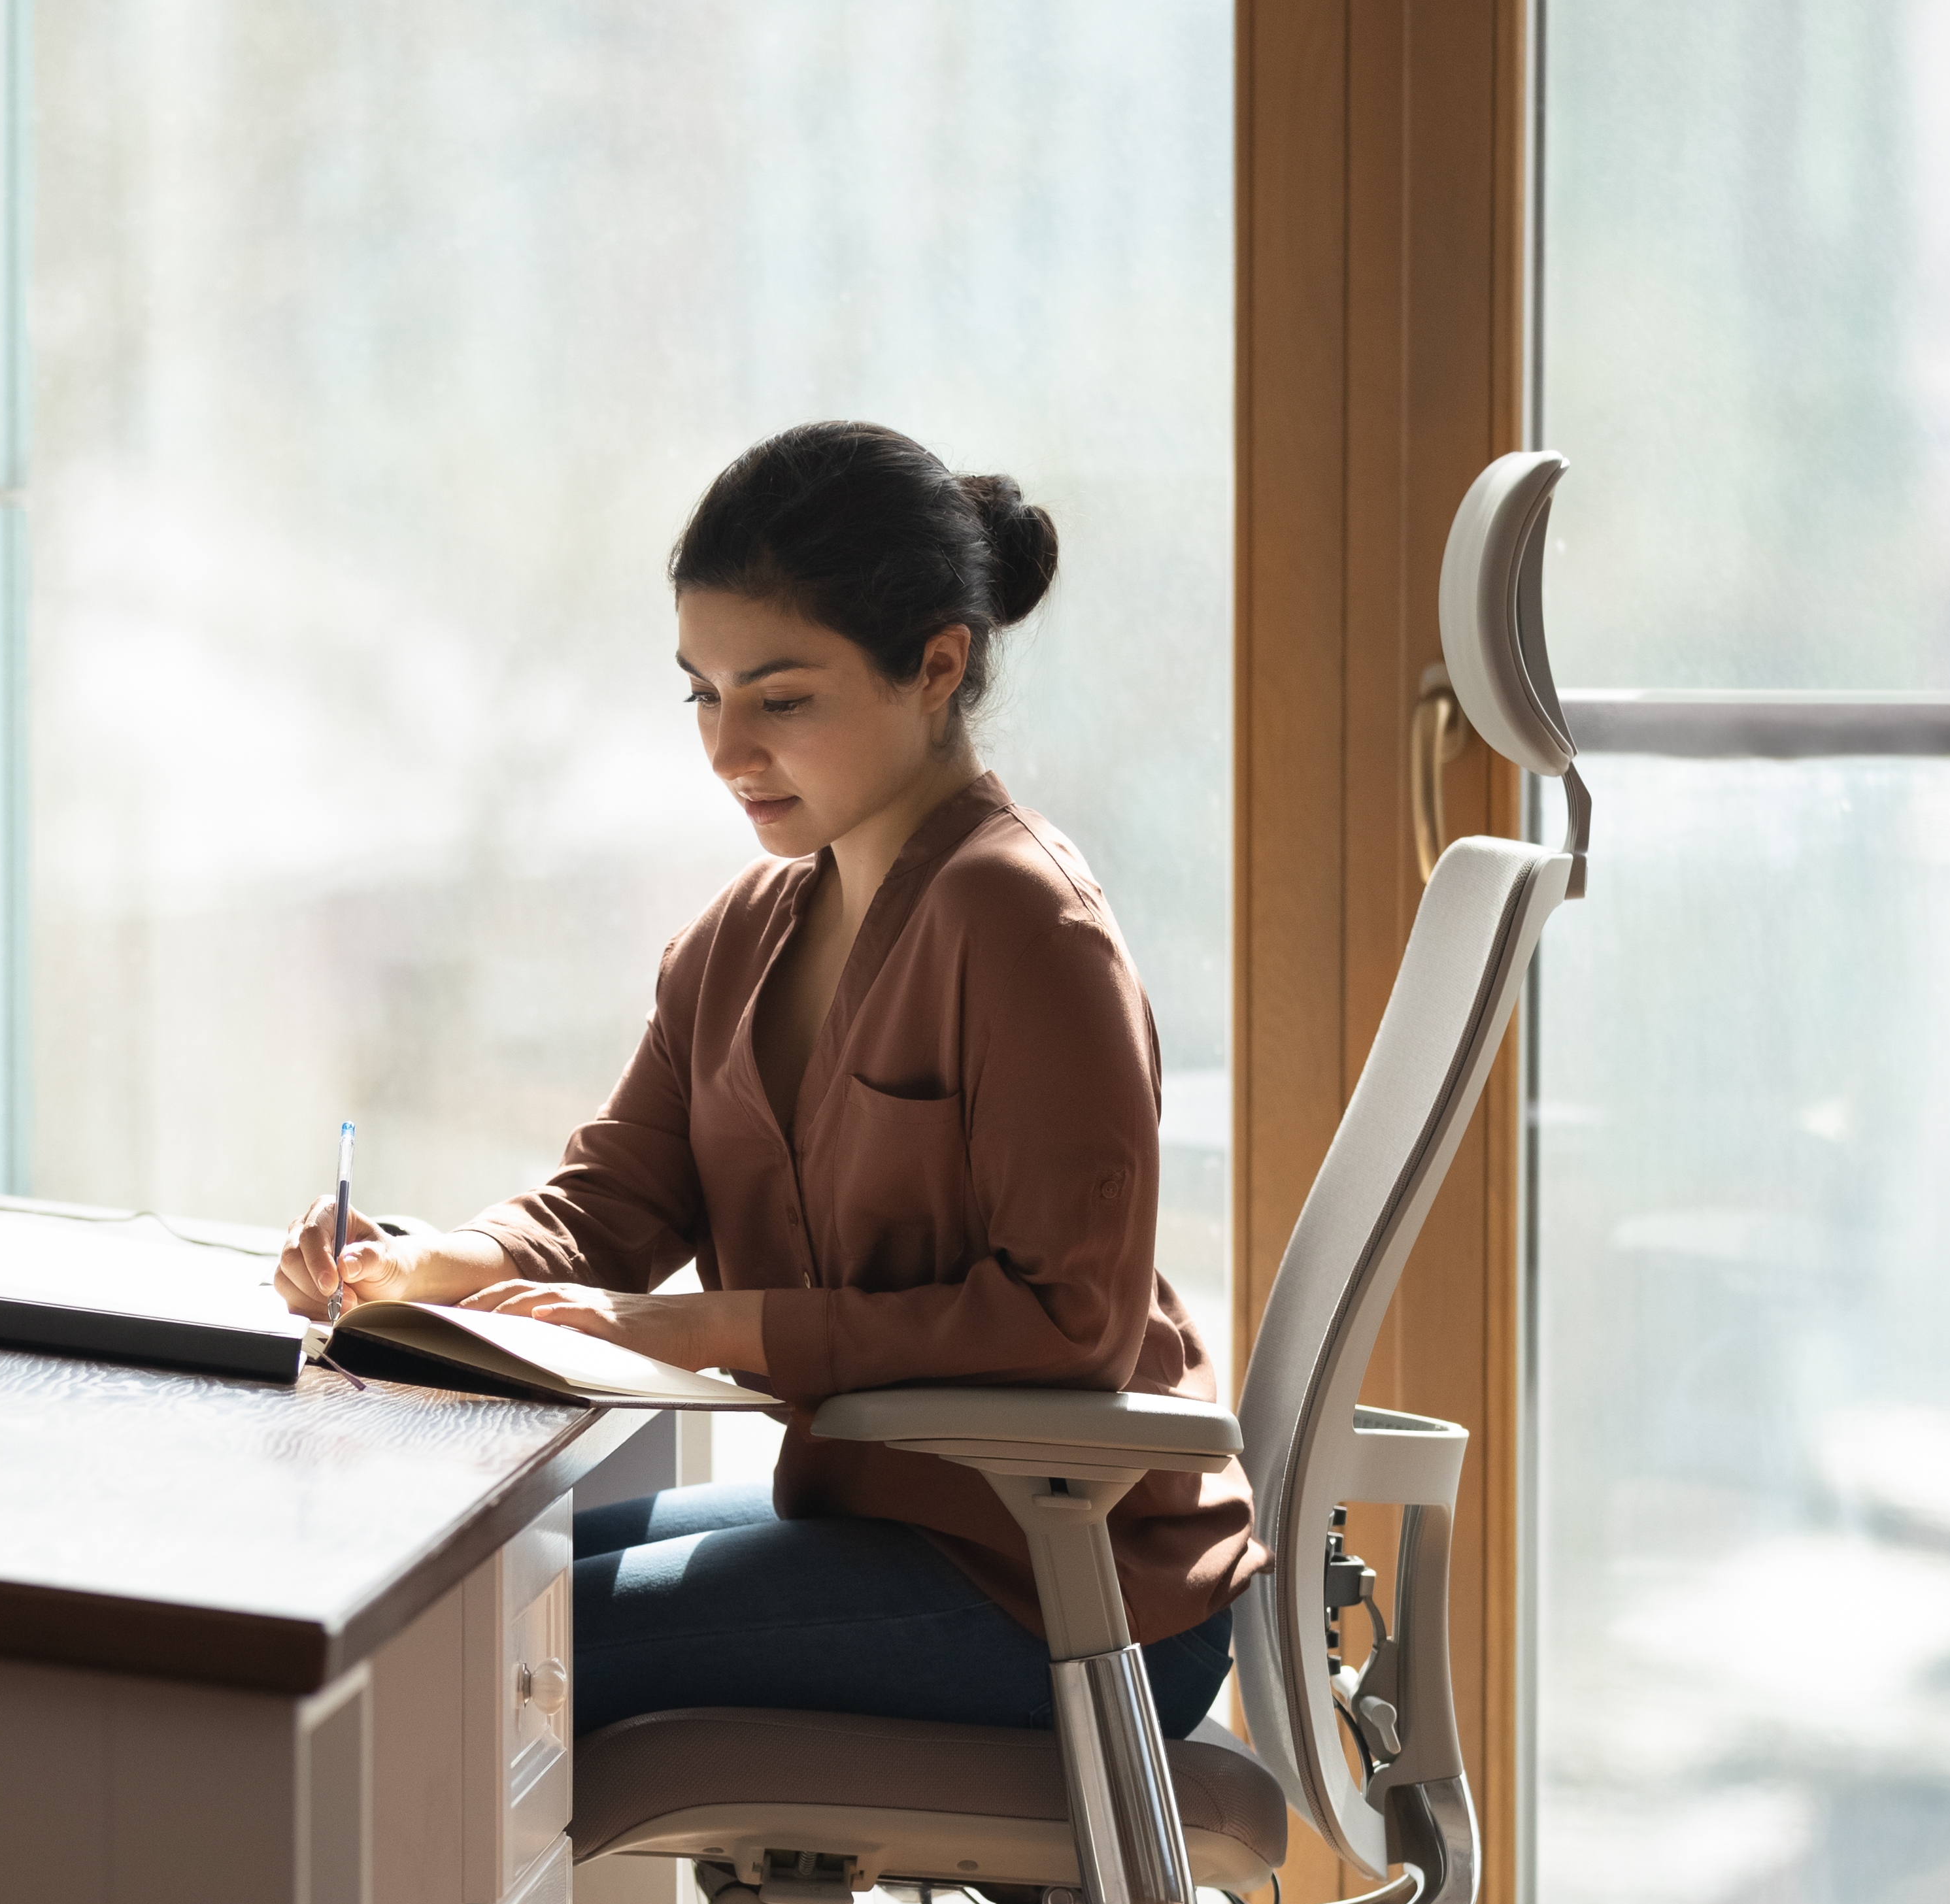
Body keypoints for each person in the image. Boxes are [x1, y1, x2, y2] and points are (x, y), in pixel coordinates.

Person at [272, 421, 1258, 1739]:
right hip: (888, 1517)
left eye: (779, 698)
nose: (727, 749)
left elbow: (1064, 1324)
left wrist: (713, 1329)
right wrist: (432, 1263)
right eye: (701, 693)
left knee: (480, 1670)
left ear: (935, 667)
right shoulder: (743, 932)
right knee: (456, 1613)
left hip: (1066, 1588)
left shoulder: (1025, 925)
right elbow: (611, 1202)